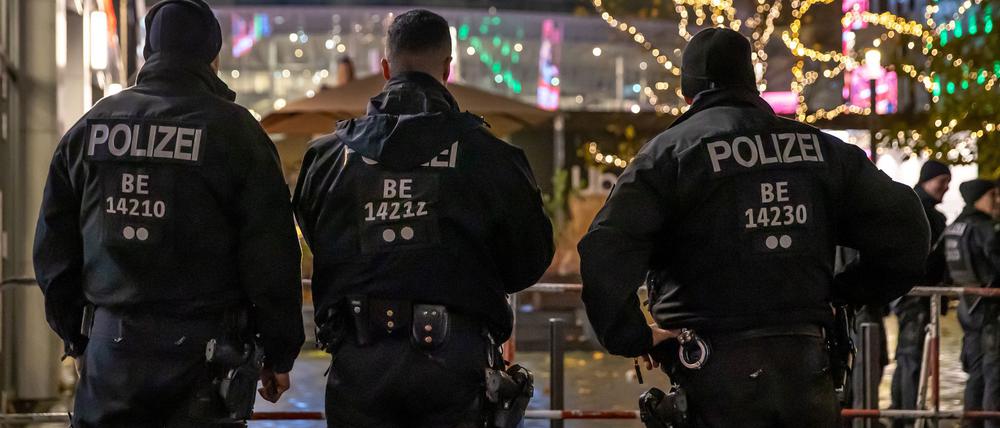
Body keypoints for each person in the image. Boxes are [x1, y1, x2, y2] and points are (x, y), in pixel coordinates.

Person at [578, 27, 930, 428]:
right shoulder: (823, 151)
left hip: (712, 378)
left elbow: (605, 251)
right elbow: (907, 227)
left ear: (688, 92)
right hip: (807, 374)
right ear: (751, 82)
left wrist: (633, 336)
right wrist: (846, 292)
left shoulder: (668, 156)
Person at [33, 1, 305, 426]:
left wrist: (78, 339)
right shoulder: (236, 133)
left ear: (148, 53)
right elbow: (271, 257)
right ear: (213, 57)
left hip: (110, 357)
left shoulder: (89, 129)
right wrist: (279, 352)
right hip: (204, 364)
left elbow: (53, 252)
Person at [293, 9, 554, 428]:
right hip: (456, 366)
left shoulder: (327, 158)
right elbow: (529, 260)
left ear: (385, 68)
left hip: (359, 364)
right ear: (447, 69)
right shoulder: (490, 156)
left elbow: (315, 238)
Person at [889, 160, 951, 427]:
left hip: (909, 293)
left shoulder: (913, 207)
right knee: (912, 356)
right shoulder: (923, 212)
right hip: (916, 295)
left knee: (907, 355)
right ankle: (909, 414)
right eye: (942, 182)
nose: (946, 188)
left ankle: (901, 410)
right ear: (927, 180)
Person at [941, 179, 1000, 428]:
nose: (997, 201)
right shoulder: (986, 228)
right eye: (992, 196)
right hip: (991, 309)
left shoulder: (956, 226)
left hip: (968, 307)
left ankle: (971, 422)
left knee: (976, 370)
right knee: (995, 371)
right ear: (978, 198)